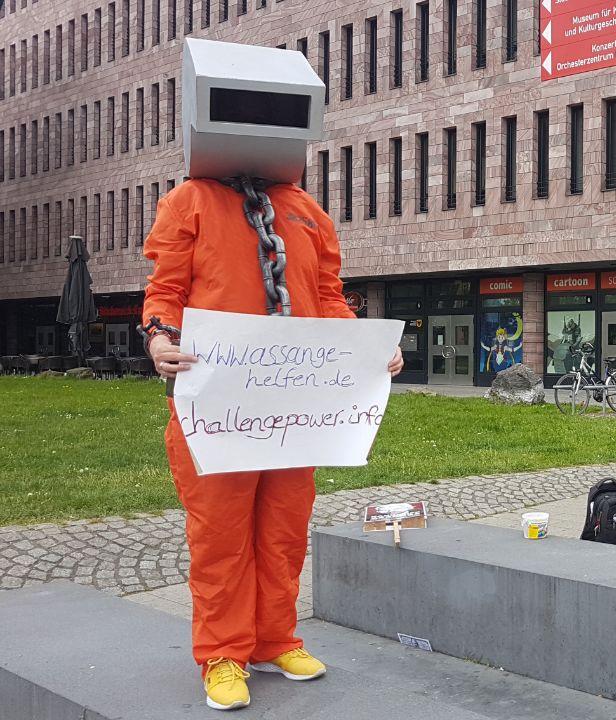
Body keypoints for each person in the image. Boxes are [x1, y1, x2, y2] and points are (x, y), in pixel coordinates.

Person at [141, 39, 404, 712]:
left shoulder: (307, 211)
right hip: (218, 404)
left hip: (296, 407)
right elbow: (164, 290)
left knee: (285, 525)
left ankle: (274, 638)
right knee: (220, 533)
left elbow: (330, 295)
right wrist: (159, 339)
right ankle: (223, 654)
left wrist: (368, 351)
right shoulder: (188, 202)